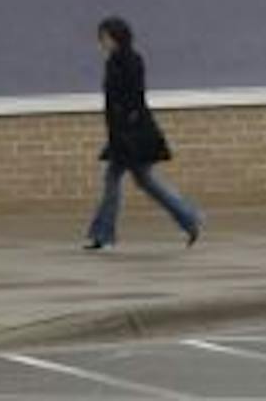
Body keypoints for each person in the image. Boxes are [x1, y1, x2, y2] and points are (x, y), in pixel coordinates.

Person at [84, 15, 202, 250]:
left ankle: (103, 234)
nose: (102, 42)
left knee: (117, 181)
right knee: (144, 181)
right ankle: (189, 219)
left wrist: (124, 130)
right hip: (123, 134)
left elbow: (133, 98)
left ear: (117, 37)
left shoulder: (129, 61)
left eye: (105, 37)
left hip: (133, 135)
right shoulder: (115, 61)